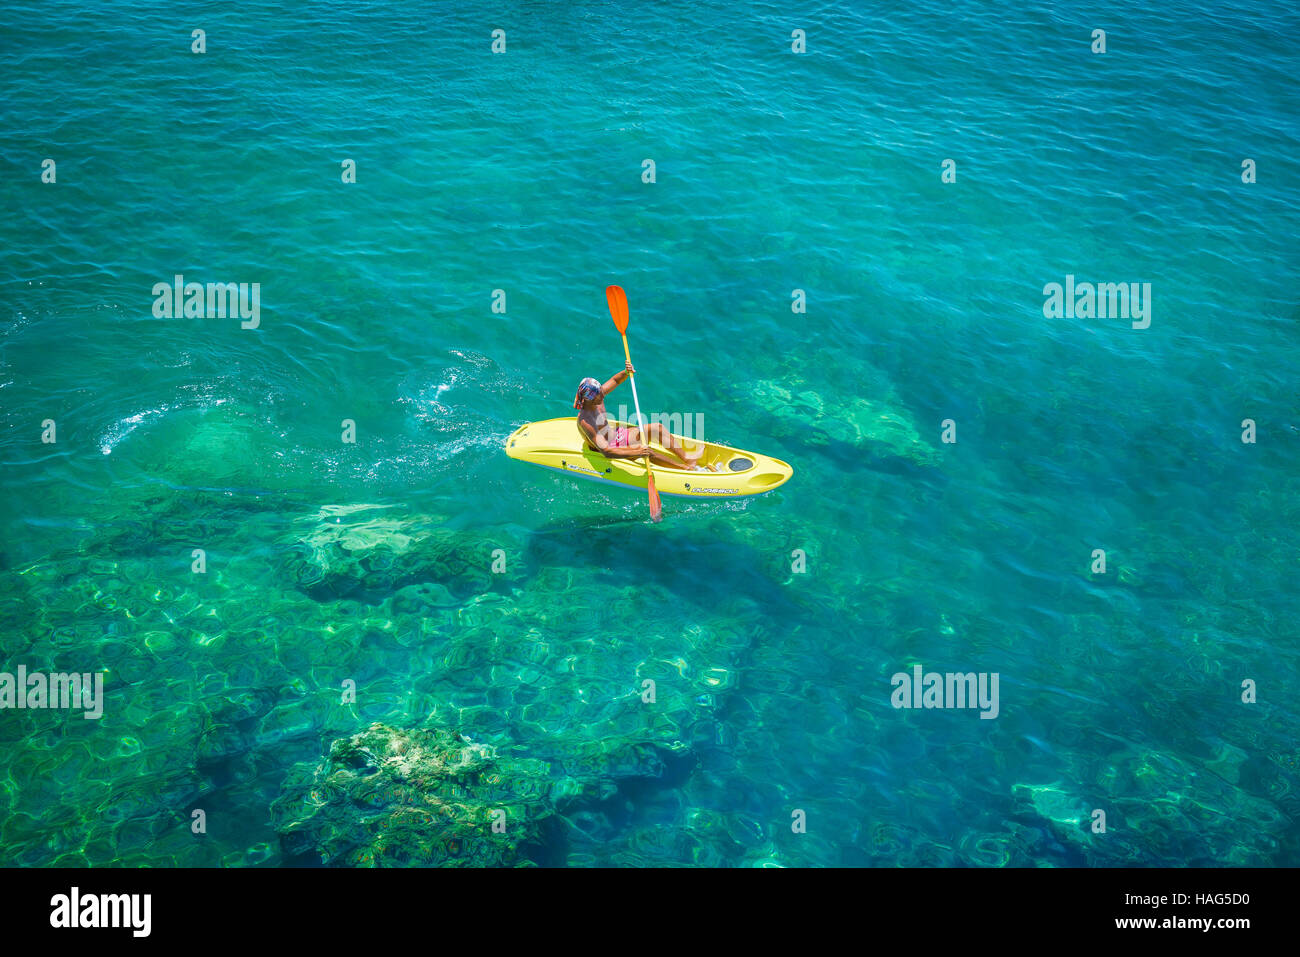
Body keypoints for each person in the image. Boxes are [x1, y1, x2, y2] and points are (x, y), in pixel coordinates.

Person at [573, 361, 714, 470]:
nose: (603, 394)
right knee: (647, 451)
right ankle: (687, 469)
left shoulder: (597, 395)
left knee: (657, 428)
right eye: (599, 395)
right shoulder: (586, 421)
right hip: (610, 448)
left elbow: (615, 380)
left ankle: (687, 458)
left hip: (615, 436)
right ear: (589, 399)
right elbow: (606, 451)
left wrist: (626, 372)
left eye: (601, 392)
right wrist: (638, 451)